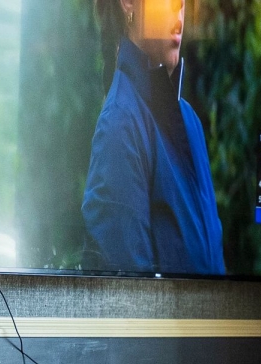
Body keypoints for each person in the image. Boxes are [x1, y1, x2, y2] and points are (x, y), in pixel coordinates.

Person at [82, 0, 225, 276]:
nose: (179, 6)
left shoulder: (191, 123)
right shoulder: (120, 125)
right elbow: (129, 301)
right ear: (128, 3)